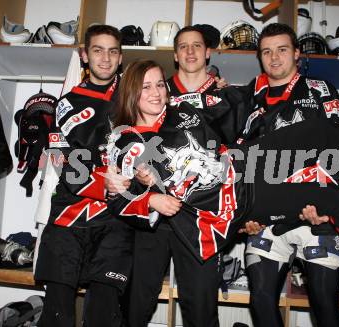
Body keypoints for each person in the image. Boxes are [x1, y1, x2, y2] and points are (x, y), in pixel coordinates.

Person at [107, 60, 339, 284]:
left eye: (160, 84)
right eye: (146, 86)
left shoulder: (181, 110)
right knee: (327, 199)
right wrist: (150, 201)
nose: (156, 92)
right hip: (227, 203)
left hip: (241, 164)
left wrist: (223, 88)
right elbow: (118, 199)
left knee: (315, 130)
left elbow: (231, 108)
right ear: (132, 92)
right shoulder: (127, 141)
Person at [241, 23, 339, 327]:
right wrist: (244, 213)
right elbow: (243, 162)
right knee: (260, 299)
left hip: (315, 213)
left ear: (297, 53)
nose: (274, 57)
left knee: (324, 305)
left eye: (282, 49)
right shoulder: (251, 98)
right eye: (266, 51)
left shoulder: (320, 89)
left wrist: (330, 209)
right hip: (269, 217)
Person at [125, 26, 234, 327]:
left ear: (208, 51)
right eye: (183, 47)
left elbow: (237, 151)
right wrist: (145, 192)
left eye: (196, 46)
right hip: (155, 220)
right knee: (137, 302)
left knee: (201, 309)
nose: (189, 52)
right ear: (174, 55)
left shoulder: (223, 94)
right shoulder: (157, 91)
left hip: (200, 216)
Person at [34, 25, 140, 327]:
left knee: (103, 315)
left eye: (112, 51)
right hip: (69, 215)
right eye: (97, 50)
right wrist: (101, 185)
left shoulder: (134, 94)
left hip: (115, 219)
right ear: (84, 55)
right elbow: (61, 162)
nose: (105, 59)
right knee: (56, 315)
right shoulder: (66, 104)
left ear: (120, 58)